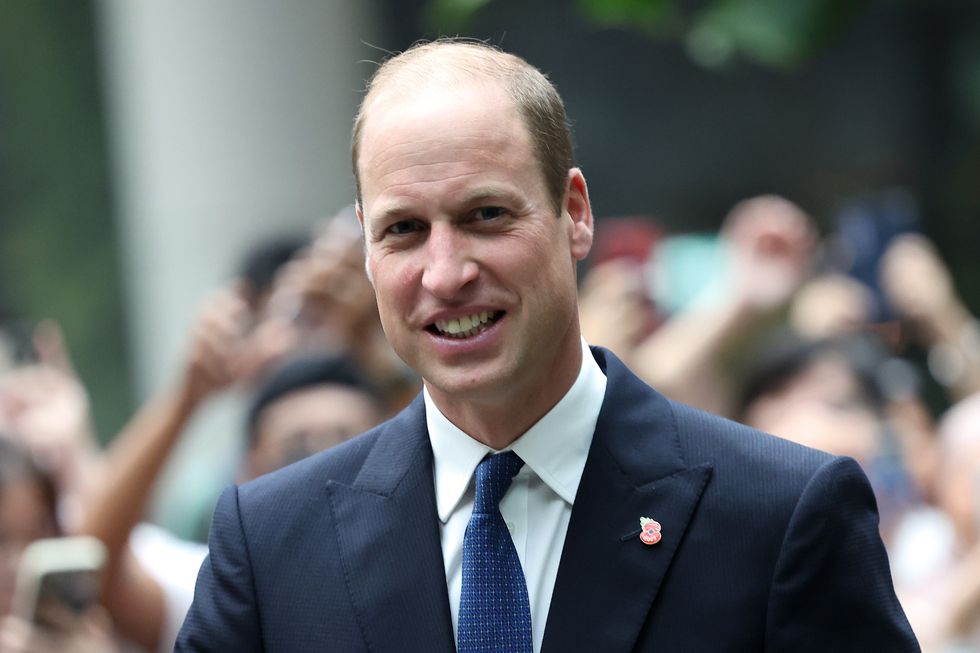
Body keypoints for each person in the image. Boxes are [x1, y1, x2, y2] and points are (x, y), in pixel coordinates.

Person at [177, 39, 918, 651]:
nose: (446, 272)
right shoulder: (272, 545)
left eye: (486, 214)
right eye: (404, 229)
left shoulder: (781, 515)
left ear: (575, 214)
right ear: (369, 254)